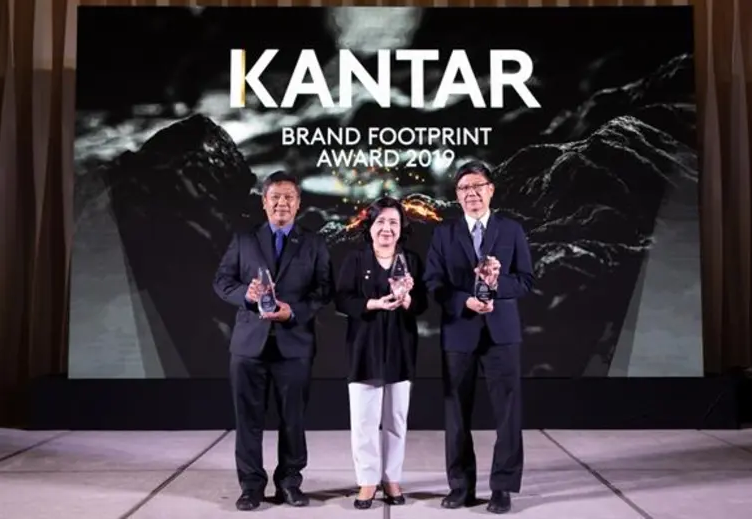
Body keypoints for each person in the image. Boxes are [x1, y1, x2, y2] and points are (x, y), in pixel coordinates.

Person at [213, 170, 333, 511]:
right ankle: (251, 486)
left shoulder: (314, 243)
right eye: (275, 197)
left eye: (289, 197)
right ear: (264, 202)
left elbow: (324, 290)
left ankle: (289, 483)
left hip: (294, 345)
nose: (282, 203)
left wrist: (293, 311)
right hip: (249, 346)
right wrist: (247, 295)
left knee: (293, 419)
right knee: (248, 421)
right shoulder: (244, 239)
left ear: (298, 203)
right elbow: (222, 281)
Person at [423, 161, 534, 514]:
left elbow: (526, 281)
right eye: (464, 188)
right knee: (456, 412)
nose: (471, 193)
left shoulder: (511, 230)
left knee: (508, 413)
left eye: (477, 186)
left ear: (491, 190)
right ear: (456, 196)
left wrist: (497, 286)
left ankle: (503, 487)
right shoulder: (444, 233)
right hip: (459, 331)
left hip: (502, 333)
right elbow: (433, 283)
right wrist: (464, 301)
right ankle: (461, 486)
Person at [334, 196, 428, 510]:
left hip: (401, 347)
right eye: (381, 222)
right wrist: (371, 304)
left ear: (401, 228)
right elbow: (342, 300)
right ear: (370, 226)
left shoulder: (411, 260)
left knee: (396, 419)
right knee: (364, 420)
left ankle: (391, 478)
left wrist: (408, 300)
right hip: (363, 348)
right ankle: (367, 481)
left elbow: (424, 303)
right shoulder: (355, 259)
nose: (387, 228)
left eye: (393, 222)